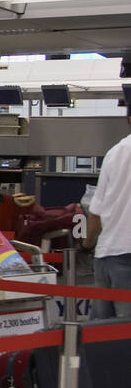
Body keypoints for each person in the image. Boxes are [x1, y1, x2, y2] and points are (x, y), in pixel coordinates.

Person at [84, 104, 131, 319]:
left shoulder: (114, 153)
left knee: (101, 335)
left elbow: (96, 212)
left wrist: (87, 245)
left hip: (106, 255)